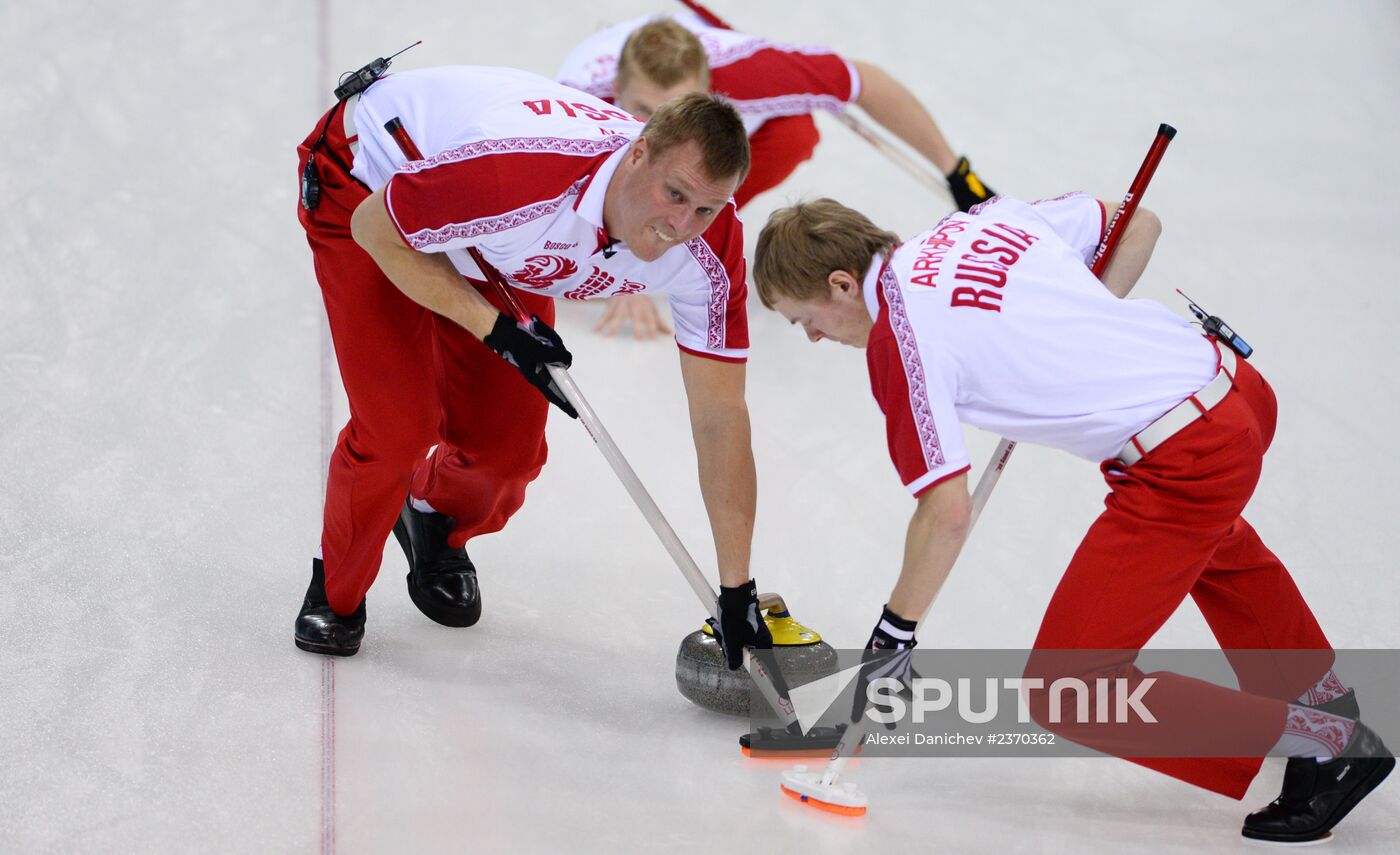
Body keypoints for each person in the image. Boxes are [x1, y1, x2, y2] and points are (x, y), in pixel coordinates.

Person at [751, 193, 1392, 842]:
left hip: (1187, 456)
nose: (812, 338)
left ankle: (1331, 743)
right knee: (1214, 545)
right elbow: (1137, 223)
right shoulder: (972, 225)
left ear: (841, 283)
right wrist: (1072, 328)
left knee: (1070, 688)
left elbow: (945, 512)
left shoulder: (900, 342)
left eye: (805, 319)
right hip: (1234, 387)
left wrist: (896, 632)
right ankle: (1321, 694)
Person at [293, 64, 773, 667]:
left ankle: (432, 516)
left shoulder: (712, 250)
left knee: (509, 450)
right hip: (364, 189)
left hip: (494, 226)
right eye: (674, 194)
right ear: (637, 154)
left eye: (706, 208)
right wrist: (495, 329)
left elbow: (720, 417)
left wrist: (737, 589)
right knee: (399, 427)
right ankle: (334, 591)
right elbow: (376, 229)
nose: (681, 226)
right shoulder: (520, 177)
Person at [558, 12, 997, 339]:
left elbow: (863, 81)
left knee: (795, 131)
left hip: (702, 40)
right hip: (607, 118)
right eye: (643, 110)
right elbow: (569, 214)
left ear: (711, 89)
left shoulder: (749, 72)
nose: (658, 128)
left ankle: (692, 224)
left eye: (675, 110)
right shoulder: (580, 112)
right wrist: (627, 268)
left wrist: (956, 172)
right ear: (617, 90)